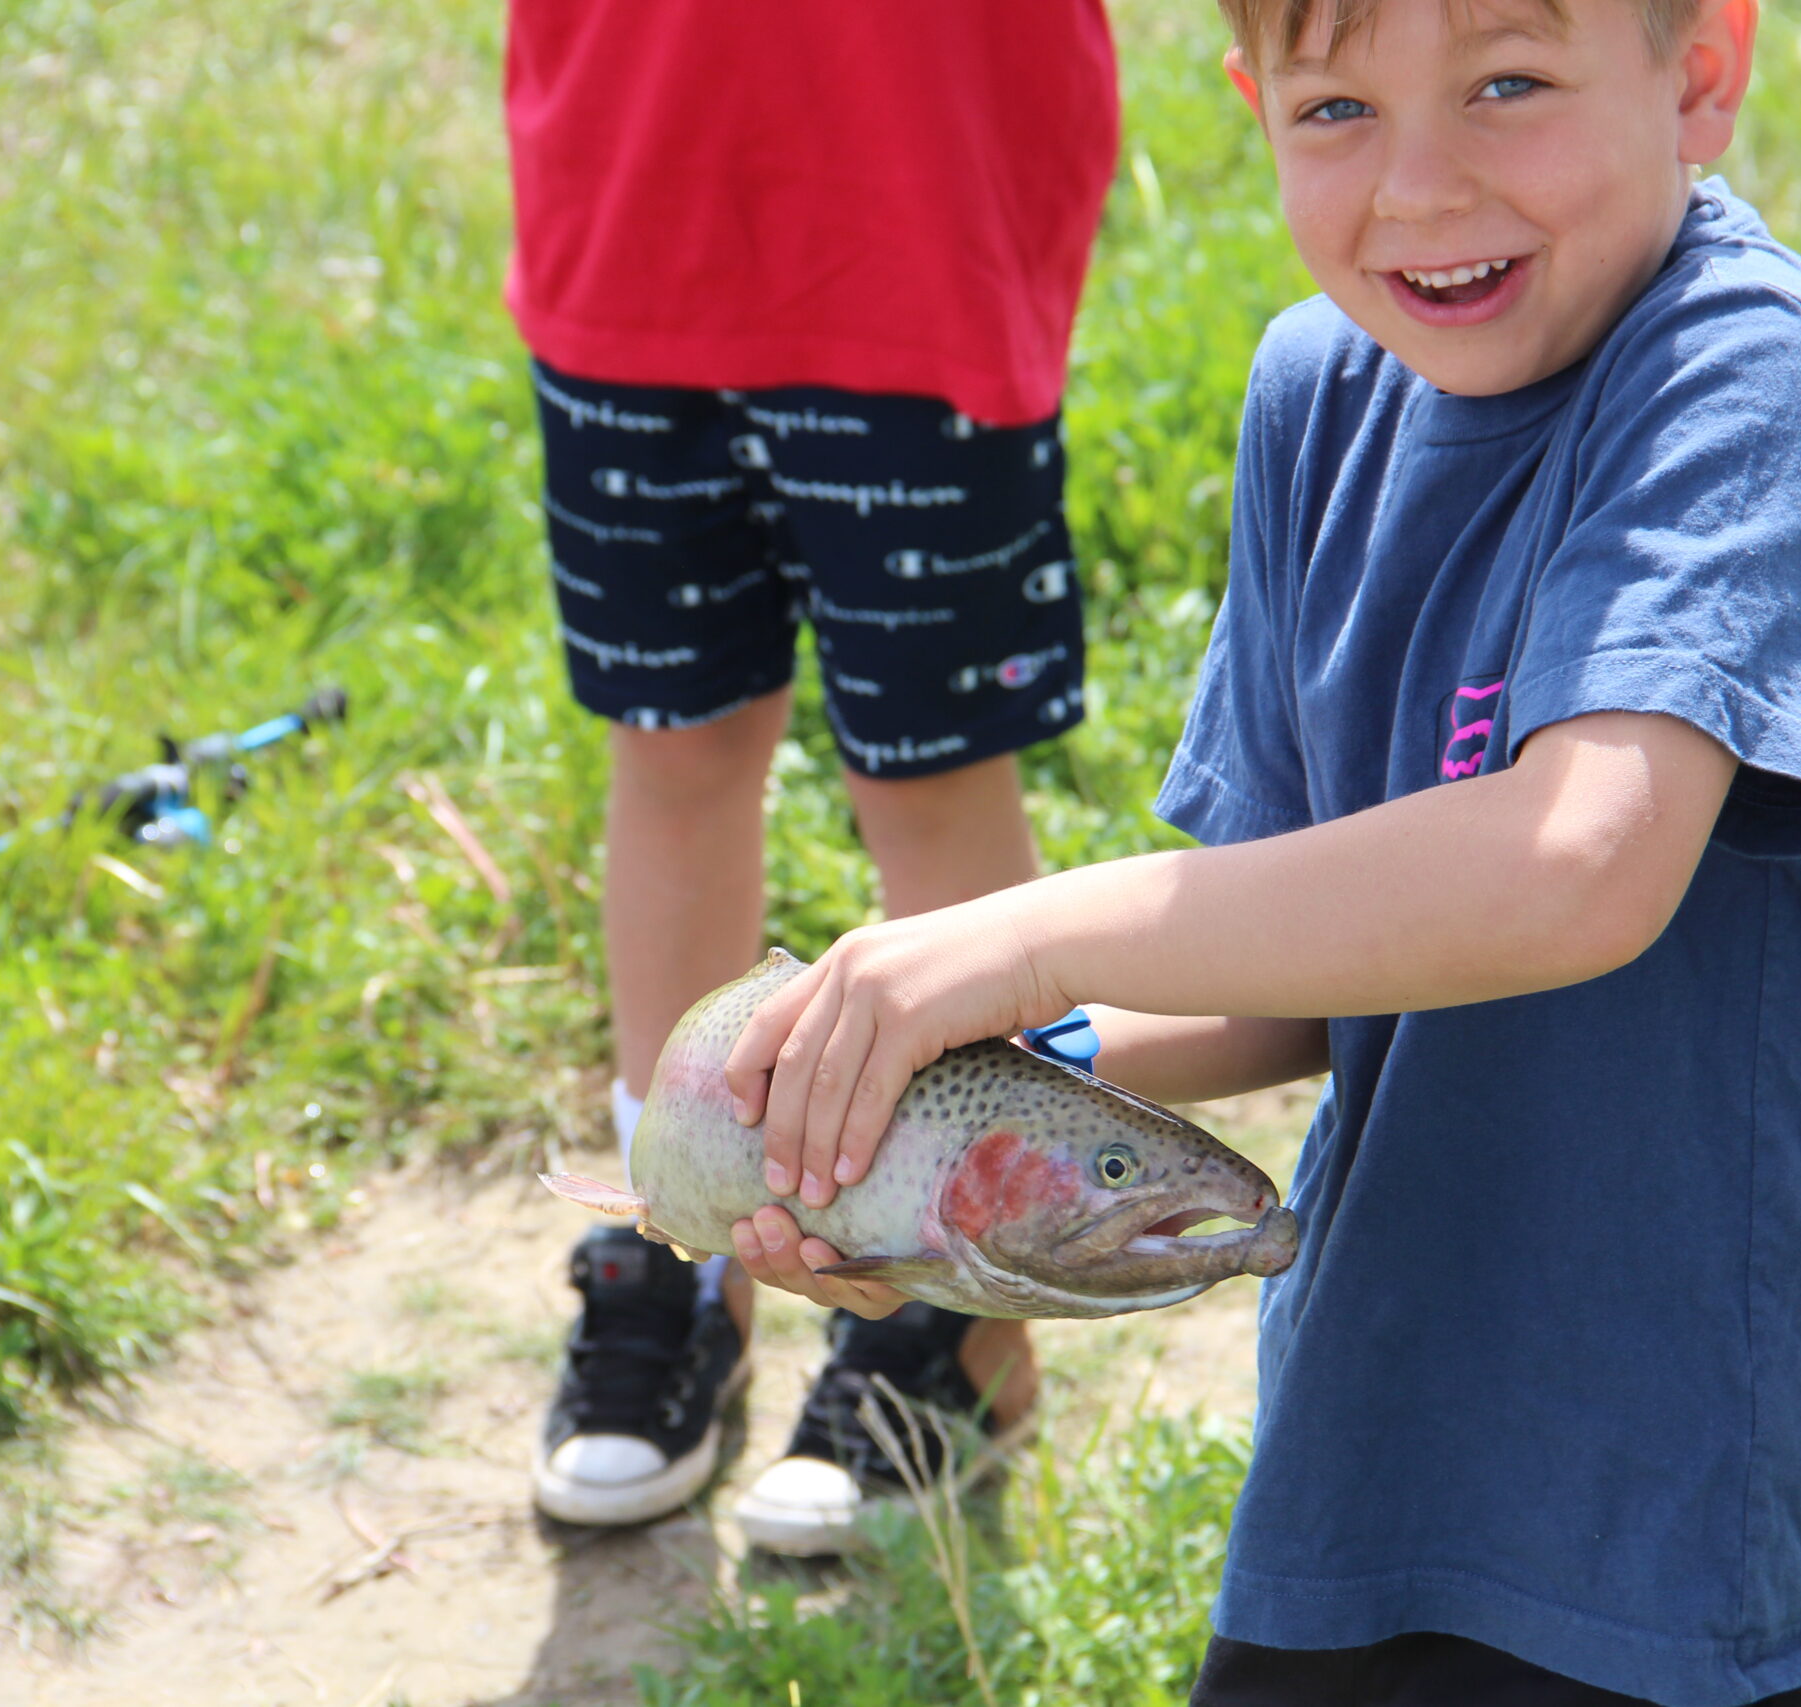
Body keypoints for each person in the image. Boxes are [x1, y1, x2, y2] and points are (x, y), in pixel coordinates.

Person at [721, 0, 1801, 1700]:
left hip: (1682, 1498)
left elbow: (1576, 864)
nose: (1421, 190)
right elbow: (1284, 993)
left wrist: (1025, 941)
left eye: (1507, 86)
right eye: (1336, 111)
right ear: (1251, 105)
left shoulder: (1750, 383)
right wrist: (926, 1120)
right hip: (1377, 1437)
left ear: (1702, 73)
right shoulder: (1320, 390)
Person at [505, 1, 1122, 1551]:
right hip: (631, 214)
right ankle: (678, 1245)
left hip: (915, 228)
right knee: (678, 753)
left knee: (925, 784)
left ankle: (961, 1313)